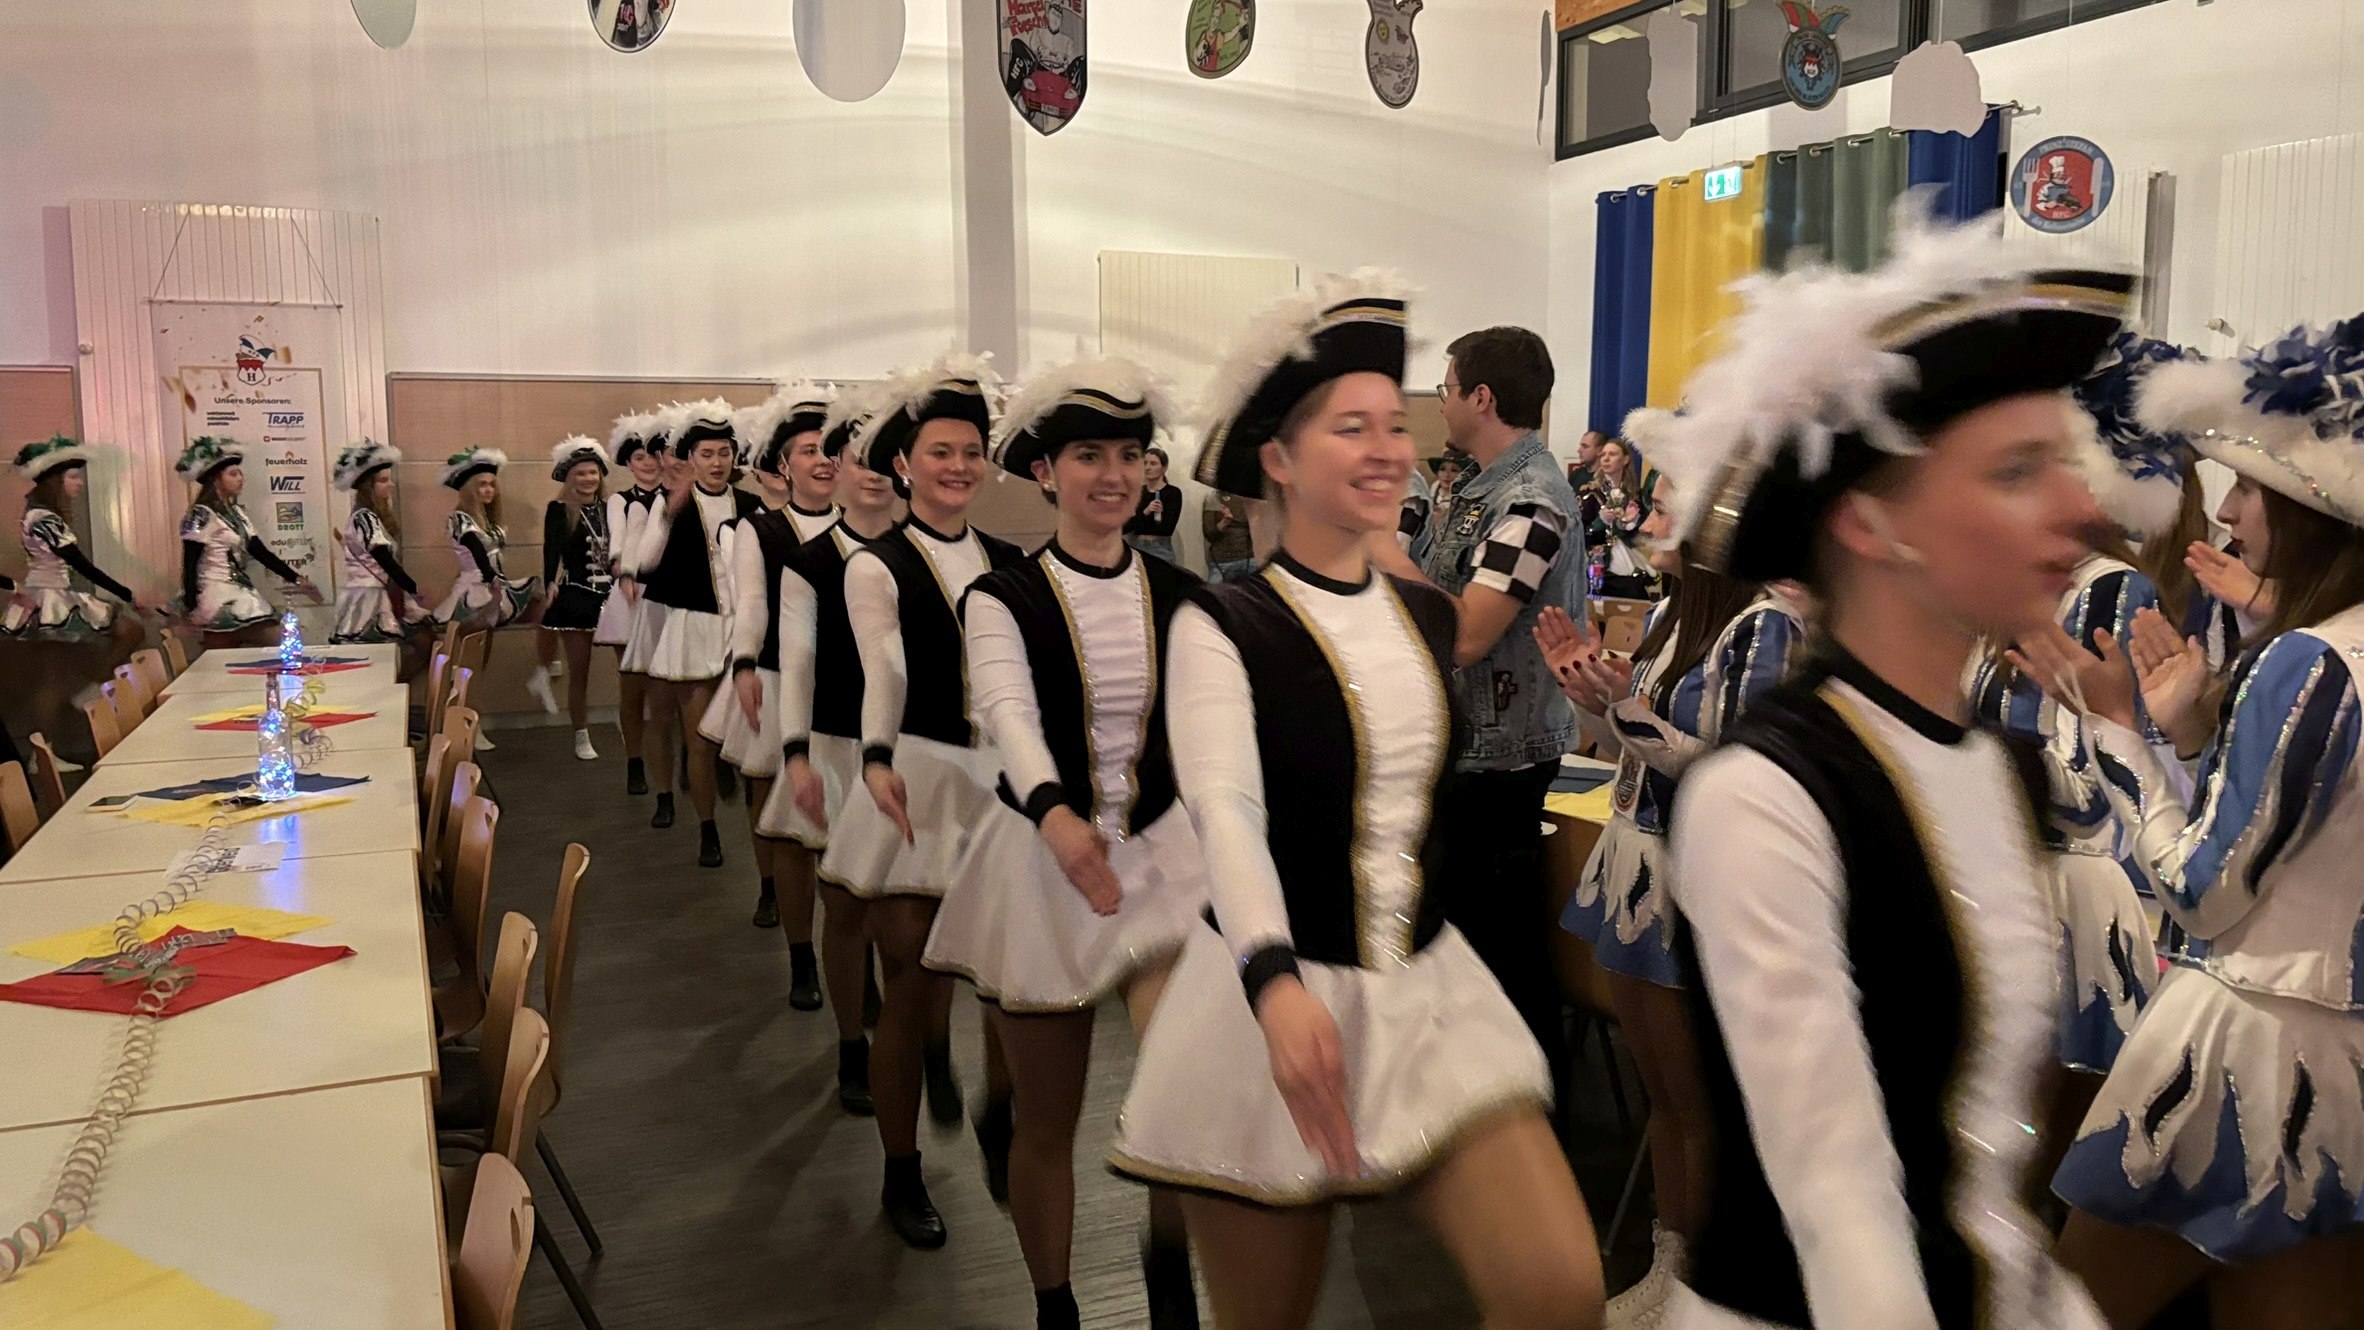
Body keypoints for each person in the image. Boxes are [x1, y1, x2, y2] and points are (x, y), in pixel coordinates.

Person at [1634, 206, 2127, 1329]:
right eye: (2018, 471)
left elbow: (1979, 1173)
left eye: (2065, 462)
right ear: (1870, 523)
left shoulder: (2001, 762)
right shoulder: (1766, 794)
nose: (2080, 509)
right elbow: (1841, 1198)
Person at [1111, 275, 1604, 1330]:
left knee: (1559, 1290)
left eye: (1394, 422)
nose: (1387, 447)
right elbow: (1227, 812)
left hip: (1427, 997)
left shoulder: (1424, 620)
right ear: (1280, 461)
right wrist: (1272, 979)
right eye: (1351, 427)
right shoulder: (1224, 621)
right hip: (1271, 996)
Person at [2026, 318, 2364, 1330]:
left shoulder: (2310, 660)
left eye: (2250, 489)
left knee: (2067, 1309)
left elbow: (2202, 892)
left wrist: (2120, 734)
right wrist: (2196, 727)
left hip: (2248, 1044)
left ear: (2312, 509)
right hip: (2339, 1056)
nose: (2225, 511)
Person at [921, 357, 1206, 1330]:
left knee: (1182, 1084)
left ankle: (1171, 1273)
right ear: (1046, 471)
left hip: (1162, 861)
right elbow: (1006, 709)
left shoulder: (1183, 593)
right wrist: (1054, 814)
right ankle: (1055, 1307)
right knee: (1049, 1121)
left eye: (1129, 454)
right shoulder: (1002, 595)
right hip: (1043, 868)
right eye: (1089, 454)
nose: (1113, 474)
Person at [1542, 419, 1805, 1327]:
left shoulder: (1765, 627)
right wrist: (1597, 702)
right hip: (1636, 860)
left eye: (1663, 505)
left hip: (1691, 879)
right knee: (1665, 1094)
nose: (1646, 516)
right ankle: (1669, 1261)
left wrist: (1628, 712)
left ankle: (1697, 1283)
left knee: (1693, 1101)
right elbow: (1636, 744)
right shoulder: (1672, 613)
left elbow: (1733, 772)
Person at [826, 352, 1024, 1250]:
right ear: (904, 462)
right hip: (916, 780)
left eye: (971, 451)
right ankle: (900, 1169)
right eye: (941, 451)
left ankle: (997, 1108)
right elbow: (887, 669)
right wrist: (874, 756)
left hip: (998, 789)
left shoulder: (1013, 562)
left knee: (1008, 981)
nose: (958, 466)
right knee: (908, 981)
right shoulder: (876, 565)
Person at [1369, 324, 1587, 1084]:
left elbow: (1465, 634)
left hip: (1502, 762)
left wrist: (1381, 549)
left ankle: (1527, 1111)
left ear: (1482, 398)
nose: (1441, 402)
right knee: (1462, 949)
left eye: (1449, 388)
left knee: (1502, 959)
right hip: (1467, 749)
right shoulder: (1477, 489)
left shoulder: (1531, 503)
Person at [763, 387, 902, 1111]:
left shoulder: (920, 553)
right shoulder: (811, 561)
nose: (872, 472)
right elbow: (797, 661)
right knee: (846, 903)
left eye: (885, 458)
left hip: (911, 751)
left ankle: (917, 1038)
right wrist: (796, 754)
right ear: (839, 468)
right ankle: (853, 1044)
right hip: (836, 742)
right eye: (858, 457)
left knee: (904, 908)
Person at [706, 387, 840, 936]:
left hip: (840, 684)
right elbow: (753, 605)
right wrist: (743, 665)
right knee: (771, 797)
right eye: (808, 451)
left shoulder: (857, 526)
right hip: (777, 675)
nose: (823, 461)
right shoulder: (758, 530)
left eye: (829, 450)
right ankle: (773, 890)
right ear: (783, 467)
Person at [632, 398, 764, 867]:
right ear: (692, 459)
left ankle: (759, 835)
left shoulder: (750, 505)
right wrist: (669, 511)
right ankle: (708, 829)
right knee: (699, 739)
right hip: (695, 628)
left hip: (744, 630)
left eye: (724, 453)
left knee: (752, 741)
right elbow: (645, 562)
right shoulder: (672, 503)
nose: (716, 462)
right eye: (706, 454)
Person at [175, 436, 317, 647]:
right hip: (215, 598)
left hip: (239, 593)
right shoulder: (201, 515)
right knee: (228, 660)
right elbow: (190, 562)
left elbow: (260, 552)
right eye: (233, 474)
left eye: (240, 473)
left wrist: (296, 579)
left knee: (281, 644)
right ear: (215, 480)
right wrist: (191, 604)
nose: (240, 478)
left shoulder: (237, 514)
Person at [6, 435, 145, 643]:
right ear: (55, 482)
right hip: (48, 598)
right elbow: (81, 565)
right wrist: (126, 594)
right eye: (73, 477)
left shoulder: (39, 515)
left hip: (47, 593)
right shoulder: (45, 519)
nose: (80, 483)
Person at [539, 436, 616, 760]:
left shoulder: (612, 508)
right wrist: (549, 582)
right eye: (580, 474)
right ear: (570, 479)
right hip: (577, 595)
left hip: (612, 595)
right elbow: (551, 550)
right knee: (579, 671)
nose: (588, 479)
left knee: (630, 667)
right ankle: (581, 734)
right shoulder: (559, 510)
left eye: (592, 473)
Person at [603, 412, 665, 796]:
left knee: (667, 688)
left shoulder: (676, 497)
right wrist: (622, 570)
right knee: (632, 687)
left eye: (653, 455)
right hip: (632, 593)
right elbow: (617, 539)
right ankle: (634, 761)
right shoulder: (620, 500)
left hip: (669, 594)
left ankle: (672, 762)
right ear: (628, 462)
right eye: (639, 457)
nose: (648, 463)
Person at [328, 440, 431, 668]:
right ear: (369, 486)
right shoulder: (364, 517)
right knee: (381, 658)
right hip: (369, 598)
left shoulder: (371, 517)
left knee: (422, 643)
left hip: (380, 592)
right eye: (383, 480)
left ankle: (397, 683)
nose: (390, 485)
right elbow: (384, 559)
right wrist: (413, 588)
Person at [1589, 437, 1662, 601]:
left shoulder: (1635, 495)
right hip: (1599, 564)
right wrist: (1601, 521)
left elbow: (1640, 536)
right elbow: (1582, 532)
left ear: (1626, 459)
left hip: (1628, 560)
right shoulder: (1591, 494)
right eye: (1603, 455)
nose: (1606, 459)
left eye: (1612, 454)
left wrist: (1629, 522)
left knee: (1634, 595)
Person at [1125, 446, 1183, 563]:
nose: (1148, 467)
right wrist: (1146, 512)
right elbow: (1125, 527)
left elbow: (1166, 529)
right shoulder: (1137, 492)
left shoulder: (1172, 493)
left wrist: (1139, 522)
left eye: (1153, 463)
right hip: (1135, 547)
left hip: (1159, 548)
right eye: (1145, 463)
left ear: (1164, 467)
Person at [1202, 490, 1259, 583]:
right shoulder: (1213, 497)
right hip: (1223, 562)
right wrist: (1224, 522)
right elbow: (1209, 534)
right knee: (1212, 591)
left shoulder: (1247, 497)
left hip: (1249, 560)